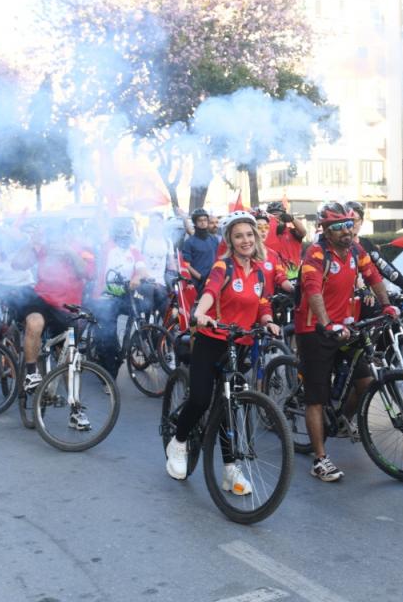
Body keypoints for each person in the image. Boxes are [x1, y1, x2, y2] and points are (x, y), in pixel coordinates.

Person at [164, 211, 280, 492]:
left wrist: (268, 321)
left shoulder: (261, 271)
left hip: (239, 345)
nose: (246, 240)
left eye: (250, 234)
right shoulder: (222, 267)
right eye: (239, 235)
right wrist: (199, 313)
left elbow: (262, 303)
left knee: (231, 406)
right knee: (202, 399)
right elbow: (211, 292)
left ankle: (230, 470)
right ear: (229, 239)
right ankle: (178, 442)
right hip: (211, 340)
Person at [294, 201, 396, 483]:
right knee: (317, 397)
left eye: (348, 224)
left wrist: (386, 304)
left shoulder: (355, 250)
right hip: (315, 329)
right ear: (325, 230)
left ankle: (341, 421)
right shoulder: (315, 253)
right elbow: (312, 290)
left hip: (346, 327)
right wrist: (326, 324)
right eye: (338, 227)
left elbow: (372, 275)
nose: (345, 231)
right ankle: (320, 459)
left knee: (365, 382)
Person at [12, 223, 96, 399]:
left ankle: (76, 409)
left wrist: (70, 252)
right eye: (52, 237)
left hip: (69, 309)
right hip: (42, 301)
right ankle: (31, 373)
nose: (55, 242)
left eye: (60, 237)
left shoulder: (82, 250)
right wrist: (30, 243)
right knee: (34, 323)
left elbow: (87, 273)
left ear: (67, 237)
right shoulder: (43, 249)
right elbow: (17, 264)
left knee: (68, 361)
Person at [92, 218, 147, 379]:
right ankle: (108, 375)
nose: (125, 234)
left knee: (141, 308)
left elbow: (143, 270)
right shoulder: (106, 248)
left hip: (125, 294)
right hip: (105, 296)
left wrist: (137, 277)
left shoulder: (134, 250)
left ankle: (136, 341)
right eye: (122, 231)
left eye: (128, 231)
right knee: (108, 335)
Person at [180, 209, 220, 291]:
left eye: (205, 220)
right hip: (198, 282)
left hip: (213, 280)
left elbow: (219, 259)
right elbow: (186, 264)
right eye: (200, 220)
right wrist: (201, 277)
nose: (203, 222)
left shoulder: (214, 239)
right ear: (195, 222)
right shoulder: (189, 242)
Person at [263, 200, 307, 276]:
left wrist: (292, 218)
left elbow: (303, 232)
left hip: (293, 278)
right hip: (272, 276)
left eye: (279, 216)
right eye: (272, 216)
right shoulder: (264, 236)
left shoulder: (292, 233)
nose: (276, 219)